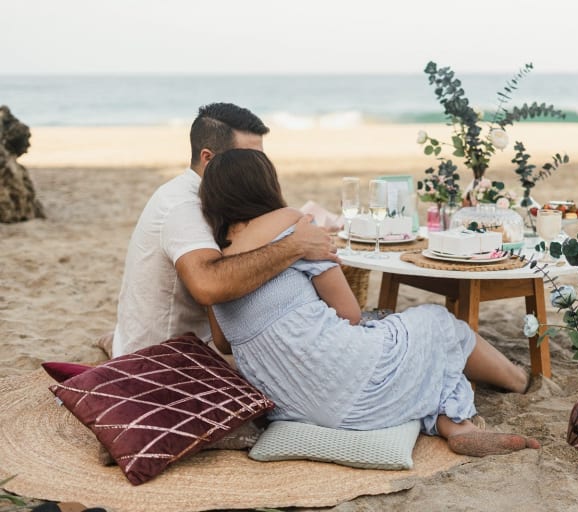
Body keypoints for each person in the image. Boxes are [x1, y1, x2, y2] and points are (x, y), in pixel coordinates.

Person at [200, 148, 540, 457]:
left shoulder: (217, 269)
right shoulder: (291, 224)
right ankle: (519, 380)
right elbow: (348, 313)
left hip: (293, 405)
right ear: (265, 186)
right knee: (435, 322)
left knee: (413, 360)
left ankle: (457, 427)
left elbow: (223, 343)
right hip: (347, 381)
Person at [110, 103, 338, 357]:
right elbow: (208, 285)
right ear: (208, 158)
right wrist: (296, 245)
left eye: (261, 157)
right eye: (248, 157)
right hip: (171, 357)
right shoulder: (184, 207)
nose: (257, 166)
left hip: (198, 342)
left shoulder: (217, 198)